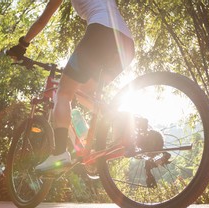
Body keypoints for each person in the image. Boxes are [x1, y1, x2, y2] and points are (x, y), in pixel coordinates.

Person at [7, 0, 135, 172]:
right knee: (84, 90)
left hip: (101, 33)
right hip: (126, 44)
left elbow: (42, 20)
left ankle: (59, 152)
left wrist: (22, 44)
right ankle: (118, 118)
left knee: (63, 93)